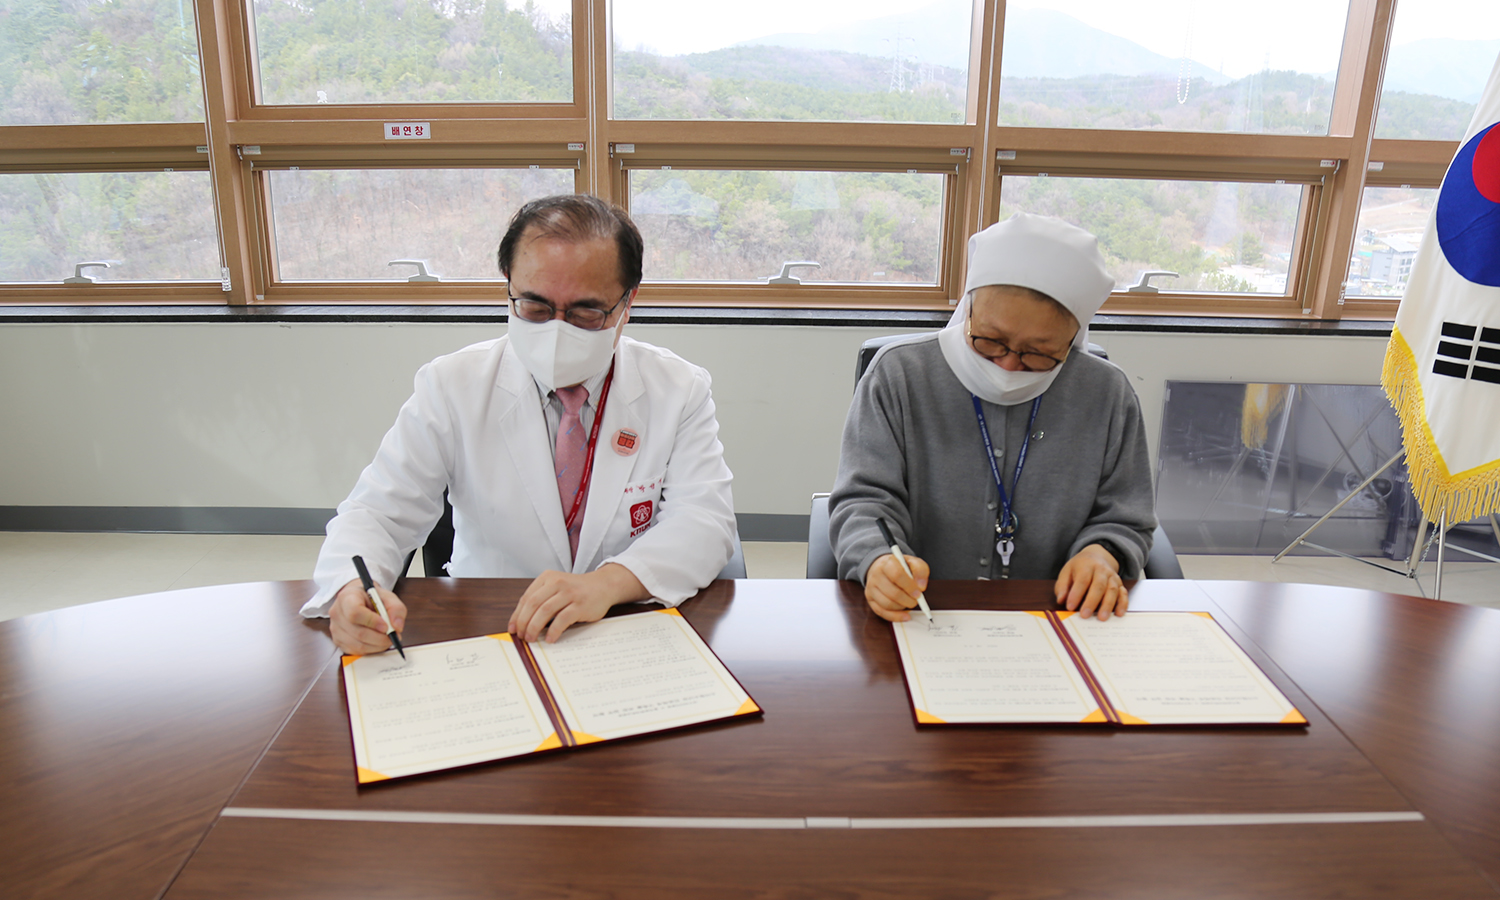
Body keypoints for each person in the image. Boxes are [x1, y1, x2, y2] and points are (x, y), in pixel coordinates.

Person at [303, 194, 736, 651]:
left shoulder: (677, 388)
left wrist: (607, 584)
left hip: (623, 626)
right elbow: (378, 514)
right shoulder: (453, 385)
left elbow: (705, 520)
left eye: (586, 312)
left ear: (627, 303)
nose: (556, 330)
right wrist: (349, 591)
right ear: (508, 285)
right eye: (535, 306)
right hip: (490, 626)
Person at [829, 212, 1156, 622]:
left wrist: (1103, 553)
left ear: (1074, 338)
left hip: (1061, 619)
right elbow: (863, 502)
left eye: (1038, 352)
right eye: (990, 340)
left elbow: (1127, 515)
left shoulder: (1107, 394)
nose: (1008, 364)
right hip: (923, 615)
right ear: (969, 308)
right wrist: (877, 561)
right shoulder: (899, 377)